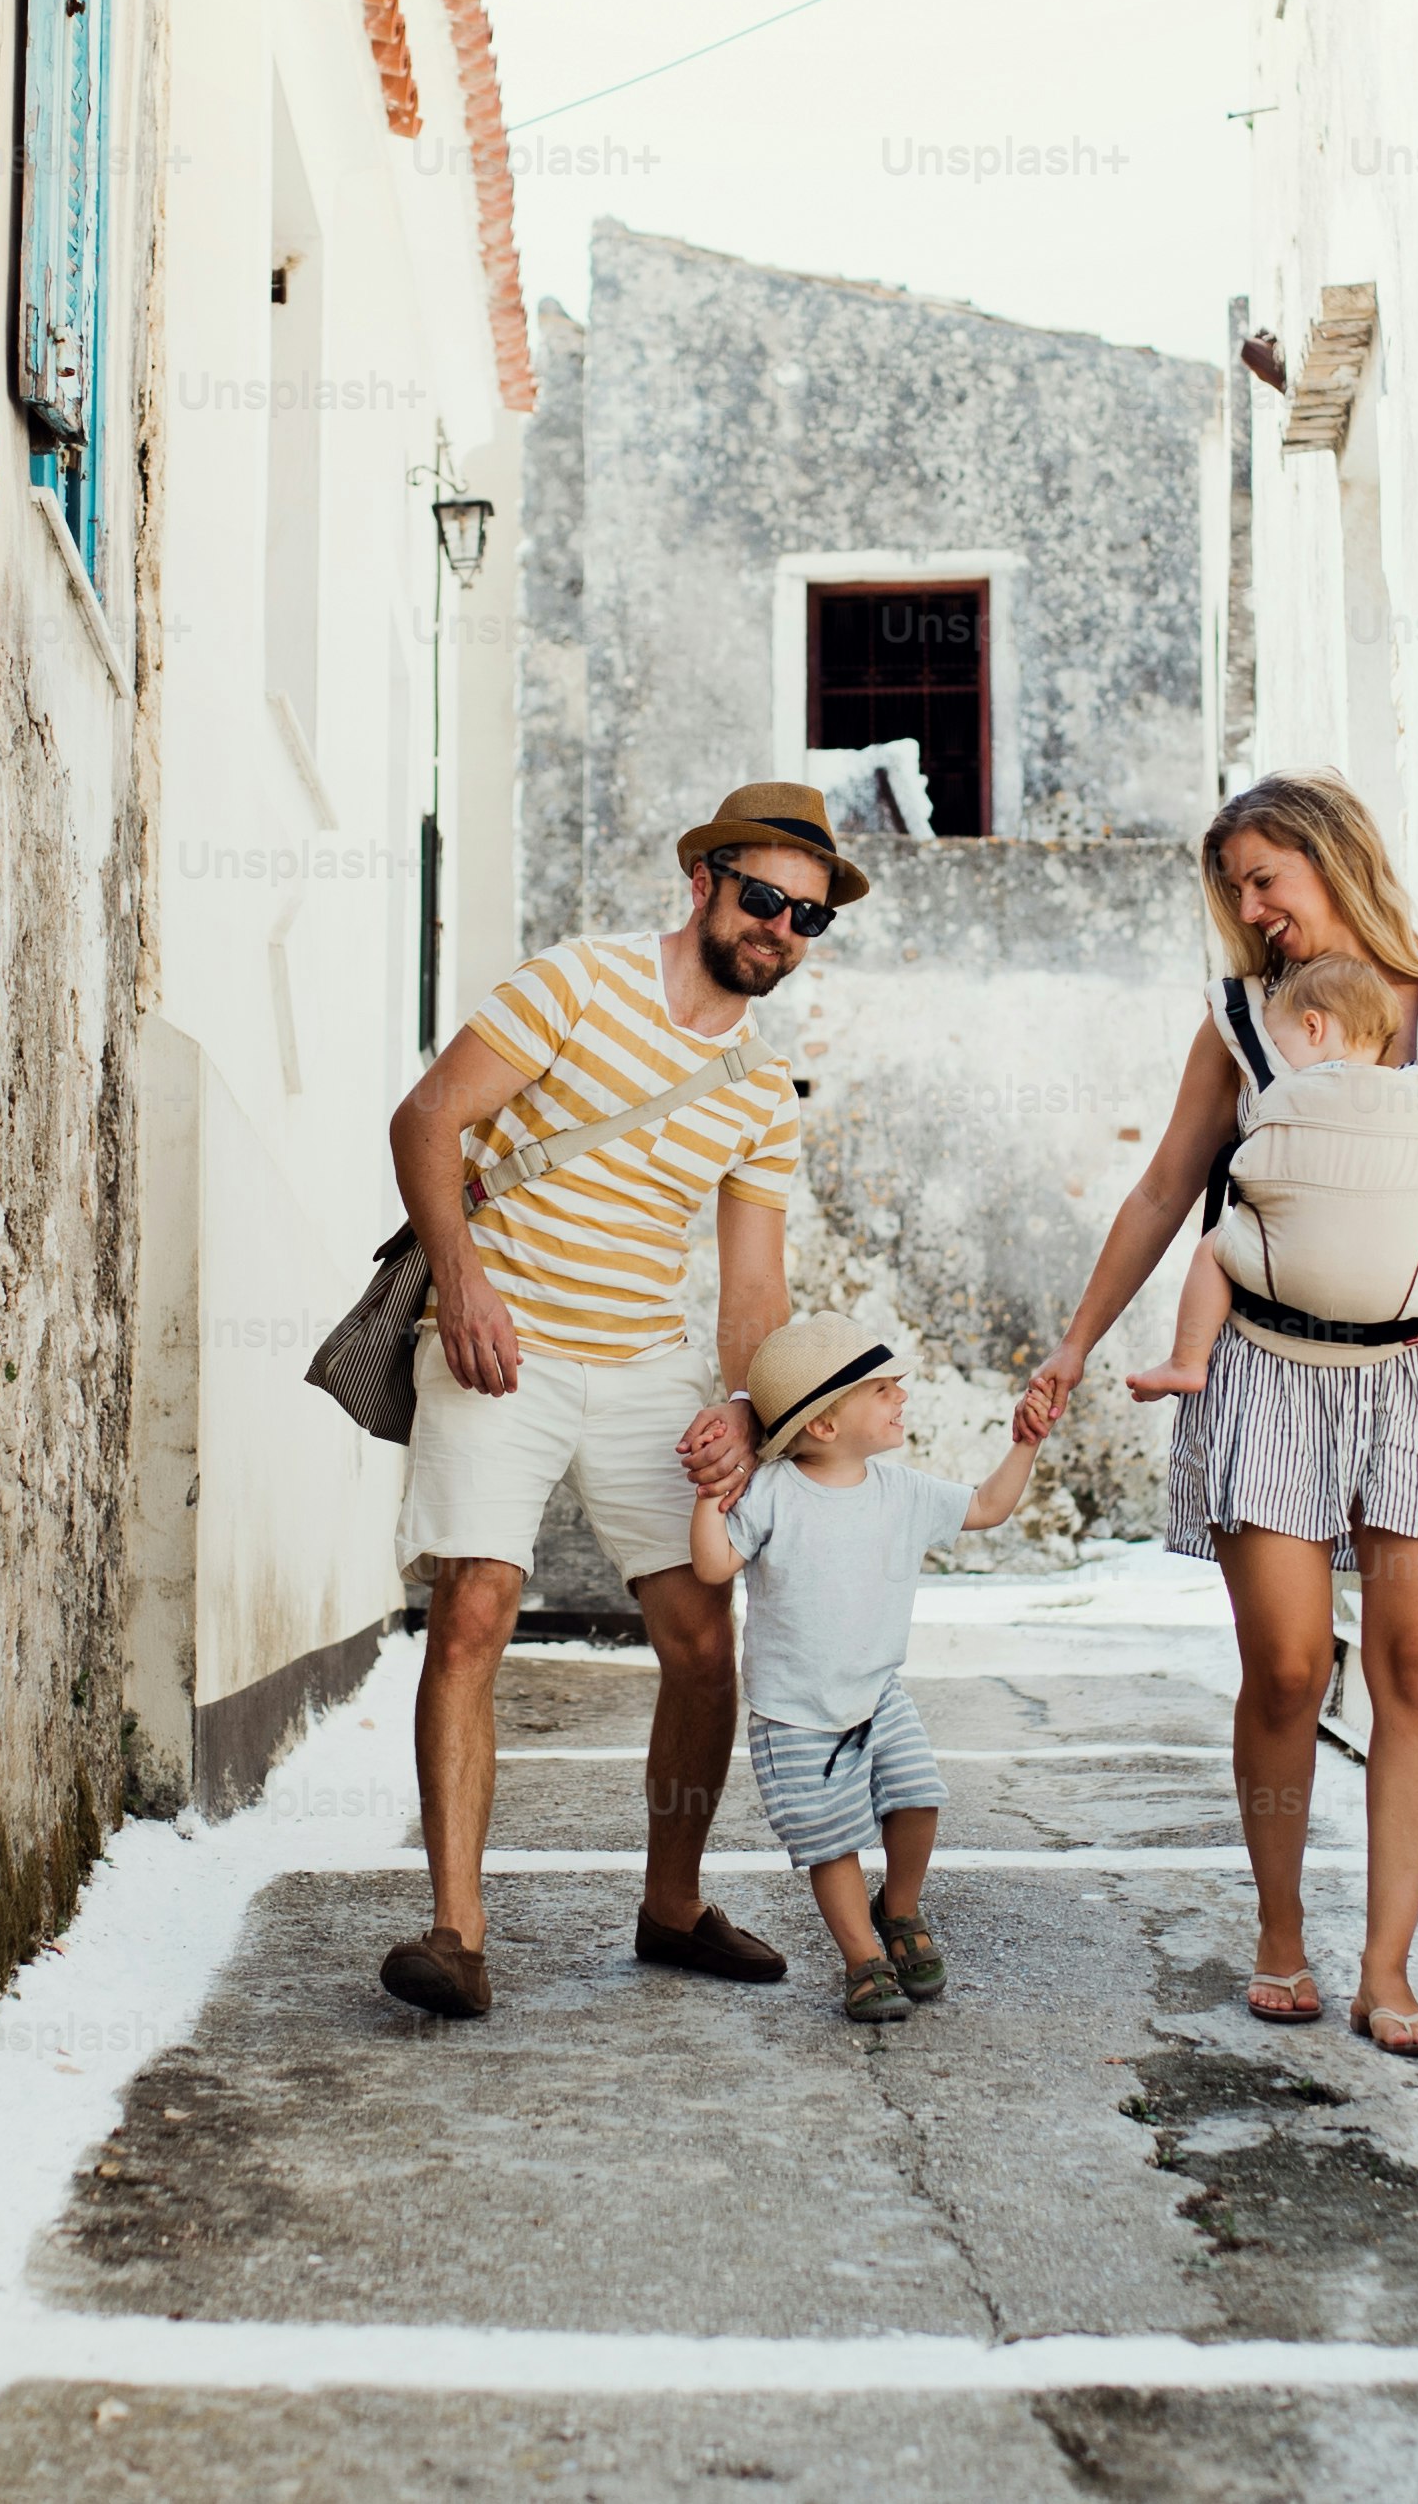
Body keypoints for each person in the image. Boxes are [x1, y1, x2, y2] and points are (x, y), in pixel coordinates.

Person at [1013, 773, 1418, 2059]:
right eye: (1235, 891)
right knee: (1284, 1665)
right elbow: (1167, 1192)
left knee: (1417, 1673)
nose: (1252, 909)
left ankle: (1388, 1967)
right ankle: (1281, 1928)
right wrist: (1076, 1344)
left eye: (1267, 878)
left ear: (1333, 859)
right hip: (1266, 1369)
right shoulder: (1240, 1026)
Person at [371, 781, 865, 2022]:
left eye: (808, 919)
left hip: (643, 1366)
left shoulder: (762, 1088)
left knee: (705, 1646)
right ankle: (456, 1934)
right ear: (703, 882)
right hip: (505, 1343)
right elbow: (428, 1120)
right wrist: (469, 1290)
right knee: (475, 1608)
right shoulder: (576, 984)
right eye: (764, 899)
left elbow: (753, 1288)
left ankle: (674, 1906)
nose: (781, 931)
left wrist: (751, 1413)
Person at [687, 1313, 1039, 2022]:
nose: (900, 1398)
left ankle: (899, 1908)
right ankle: (861, 1958)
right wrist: (705, 1498)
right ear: (822, 1425)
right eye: (882, 1390)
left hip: (879, 1694)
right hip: (795, 1713)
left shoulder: (901, 1490)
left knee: (918, 1798)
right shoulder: (773, 1494)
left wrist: (1025, 1445)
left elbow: (987, 1506)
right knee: (832, 1842)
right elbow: (713, 1563)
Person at [1122, 951, 1418, 1454]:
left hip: (1279, 1286)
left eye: (1279, 1036)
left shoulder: (1279, 1096)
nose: (1274, 1051)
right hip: (1408, 1297)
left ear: (1313, 1026)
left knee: (1213, 1250)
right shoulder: (1417, 1097)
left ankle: (1186, 1360)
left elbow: (1234, 1169)